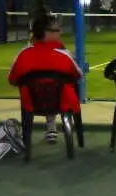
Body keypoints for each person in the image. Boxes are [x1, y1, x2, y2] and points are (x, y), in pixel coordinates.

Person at [8, 13, 82, 144]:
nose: (60, 32)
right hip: (61, 104)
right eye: (57, 30)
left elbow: (12, 79)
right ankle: (57, 128)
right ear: (46, 33)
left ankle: (46, 131)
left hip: (31, 105)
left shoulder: (23, 55)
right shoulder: (64, 55)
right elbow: (78, 75)